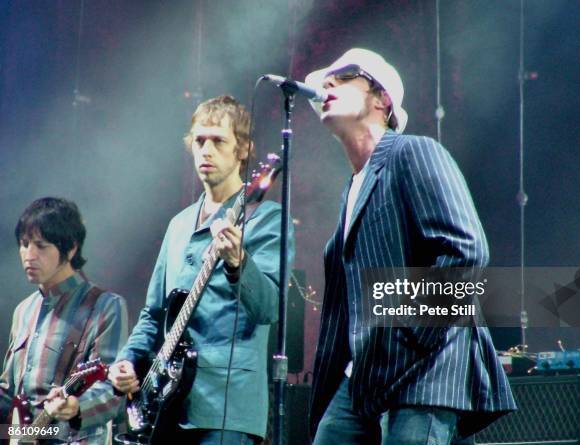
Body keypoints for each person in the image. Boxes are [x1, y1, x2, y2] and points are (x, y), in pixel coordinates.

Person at [303, 48, 516, 444]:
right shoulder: (353, 188)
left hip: (424, 367)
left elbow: (465, 253)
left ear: (382, 99)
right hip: (363, 374)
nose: (328, 84)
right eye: (326, 79)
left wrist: (406, 338)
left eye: (345, 76)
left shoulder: (414, 152)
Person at [109, 95, 293, 445]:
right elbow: (154, 312)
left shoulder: (267, 220)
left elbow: (270, 308)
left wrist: (239, 263)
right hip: (166, 407)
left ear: (243, 150)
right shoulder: (178, 225)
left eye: (218, 141)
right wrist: (129, 361)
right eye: (199, 140)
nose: (205, 150)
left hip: (227, 408)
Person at [0, 197, 128, 444]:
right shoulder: (23, 311)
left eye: (41, 245)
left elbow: (115, 394)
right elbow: (9, 392)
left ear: (71, 248)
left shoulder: (106, 307)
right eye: (24, 244)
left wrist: (77, 407)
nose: (29, 255)